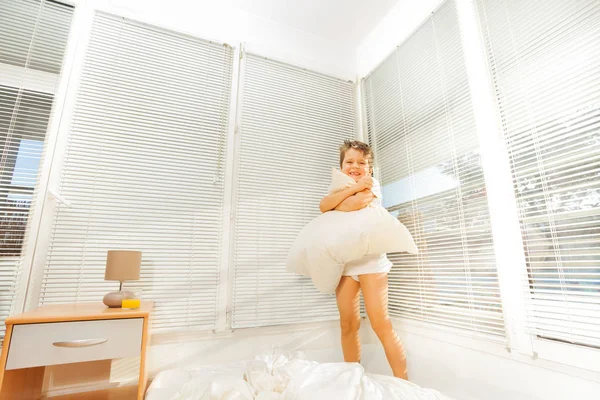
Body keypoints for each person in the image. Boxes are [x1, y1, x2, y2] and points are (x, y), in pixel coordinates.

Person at [319, 140, 408, 380]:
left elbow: (355, 204)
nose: (355, 167)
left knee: (381, 324)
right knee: (348, 324)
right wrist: (345, 192)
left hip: (371, 263)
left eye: (362, 163)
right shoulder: (339, 186)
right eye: (349, 162)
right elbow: (324, 206)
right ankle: (353, 378)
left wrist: (340, 201)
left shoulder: (372, 184)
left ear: (370, 169)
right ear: (341, 166)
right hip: (347, 265)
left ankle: (405, 385)